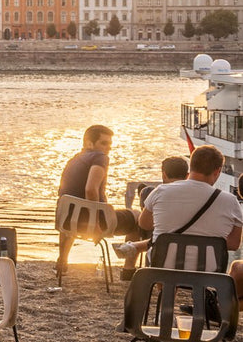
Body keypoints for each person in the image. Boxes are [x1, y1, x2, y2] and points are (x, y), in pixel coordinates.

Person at [134, 146, 243, 287]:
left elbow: (144, 224)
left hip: (162, 266)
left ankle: (166, 298)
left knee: (166, 257)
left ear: (190, 166)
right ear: (217, 171)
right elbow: (234, 244)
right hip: (209, 271)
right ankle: (204, 302)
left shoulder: (161, 191)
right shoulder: (230, 201)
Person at [56, 123, 143, 277]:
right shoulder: (100, 158)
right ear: (89, 143)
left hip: (67, 224)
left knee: (73, 210)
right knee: (138, 217)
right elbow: (90, 189)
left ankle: (62, 260)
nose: (108, 148)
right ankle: (129, 270)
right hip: (95, 223)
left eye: (110, 144)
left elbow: (66, 201)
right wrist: (95, 222)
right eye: (104, 143)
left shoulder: (73, 160)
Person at [112, 156, 190, 270]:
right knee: (145, 193)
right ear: (187, 176)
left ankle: (128, 268)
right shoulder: (200, 195)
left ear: (164, 174)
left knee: (145, 195)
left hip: (161, 251)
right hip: (191, 252)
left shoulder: (160, 191)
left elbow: (144, 224)